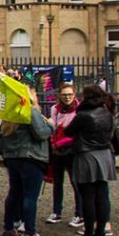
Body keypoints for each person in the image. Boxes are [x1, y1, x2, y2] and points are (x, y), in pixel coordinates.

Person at [64, 85, 118, 236]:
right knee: (102, 194)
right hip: (104, 154)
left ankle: (89, 233)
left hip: (87, 154)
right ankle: (100, 232)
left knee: (87, 195)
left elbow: (68, 132)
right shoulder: (107, 113)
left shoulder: (83, 115)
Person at [0, 88, 54, 236]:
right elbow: (41, 133)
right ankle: (30, 232)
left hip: (12, 157)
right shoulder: (29, 111)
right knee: (30, 195)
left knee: (14, 192)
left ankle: (8, 228)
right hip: (31, 157)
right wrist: (50, 125)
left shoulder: (9, 113)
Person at [45, 83, 83, 228]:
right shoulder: (55, 109)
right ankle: (56, 211)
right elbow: (53, 127)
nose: (67, 98)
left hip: (72, 150)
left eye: (70, 95)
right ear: (59, 96)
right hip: (57, 150)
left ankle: (79, 213)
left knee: (76, 183)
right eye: (64, 95)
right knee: (57, 183)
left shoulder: (79, 110)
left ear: (74, 95)